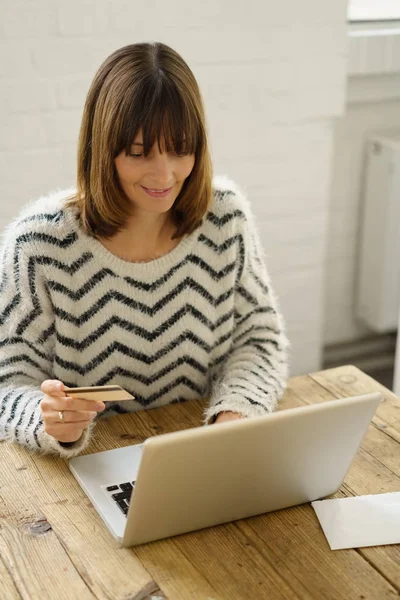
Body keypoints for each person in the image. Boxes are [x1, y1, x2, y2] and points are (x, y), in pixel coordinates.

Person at [0, 42, 289, 457]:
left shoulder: (224, 217)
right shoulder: (39, 245)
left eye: (181, 149)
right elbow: (8, 384)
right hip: (86, 468)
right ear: (102, 149)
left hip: (202, 453)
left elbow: (259, 339)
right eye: (139, 153)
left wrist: (235, 417)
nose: (165, 174)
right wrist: (48, 420)